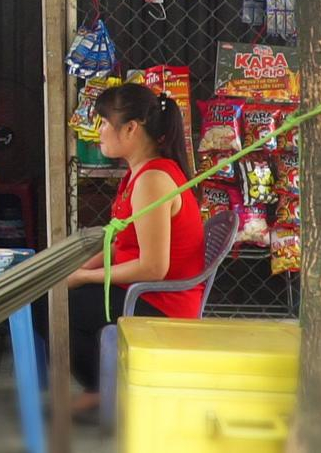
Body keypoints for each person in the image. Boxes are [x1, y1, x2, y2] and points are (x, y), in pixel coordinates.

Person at [37, 83, 204, 415]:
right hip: (139, 289)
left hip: (158, 300)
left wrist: (87, 278)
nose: (97, 131)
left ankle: (102, 390)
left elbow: (154, 267)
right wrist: (77, 271)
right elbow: (120, 244)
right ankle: (100, 386)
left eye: (103, 122)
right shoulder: (138, 174)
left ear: (131, 128)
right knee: (49, 295)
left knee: (49, 306)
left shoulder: (152, 181)